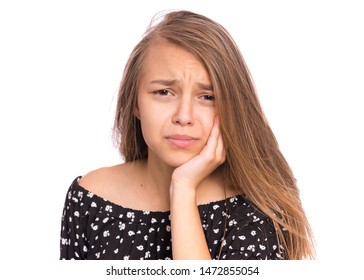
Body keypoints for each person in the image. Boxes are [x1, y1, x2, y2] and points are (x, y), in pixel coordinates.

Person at [60, 10, 315, 260]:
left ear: (232, 107)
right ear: (135, 103)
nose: (184, 116)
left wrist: (183, 189)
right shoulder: (90, 197)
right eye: (164, 93)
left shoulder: (257, 210)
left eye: (207, 97)